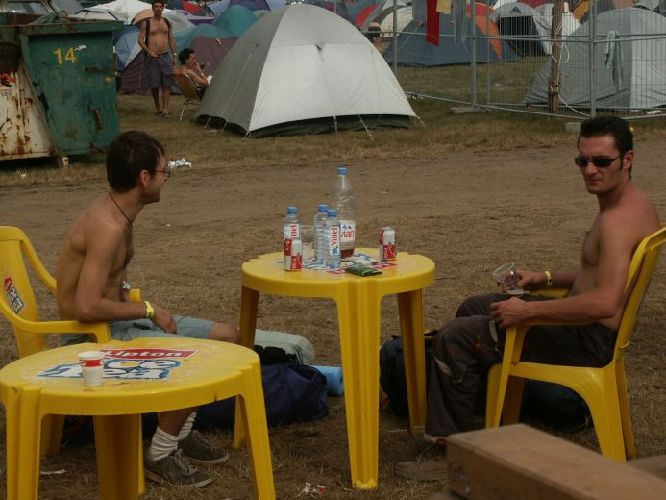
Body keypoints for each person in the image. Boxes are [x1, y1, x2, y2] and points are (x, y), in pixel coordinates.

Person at [396, 115, 660, 480]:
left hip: (587, 337)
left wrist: (527, 313)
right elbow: (602, 275)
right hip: (588, 328)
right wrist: (543, 278)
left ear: (627, 160)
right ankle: (480, 414)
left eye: (601, 161)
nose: (589, 170)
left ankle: (452, 457)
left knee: (457, 337)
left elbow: (604, 303)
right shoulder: (634, 205)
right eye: (582, 160)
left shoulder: (617, 221)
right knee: (475, 307)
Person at [57, 130, 240, 488]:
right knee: (196, 356)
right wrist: (150, 310)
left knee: (228, 337)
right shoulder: (107, 226)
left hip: (117, 325)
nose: (166, 176)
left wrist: (131, 297)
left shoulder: (121, 213)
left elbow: (109, 279)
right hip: (90, 339)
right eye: (163, 170)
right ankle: (160, 454)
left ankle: (179, 433)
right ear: (144, 178)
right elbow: (86, 306)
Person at [138, 0, 177, 117]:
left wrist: (174, 54)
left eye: (160, 6)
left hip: (166, 55)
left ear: (163, 8)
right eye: (156, 6)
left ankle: (165, 109)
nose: (158, 8)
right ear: (153, 8)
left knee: (167, 83)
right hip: (153, 57)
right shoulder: (146, 23)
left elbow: (171, 39)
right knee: (154, 85)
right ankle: (158, 107)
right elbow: (140, 40)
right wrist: (149, 51)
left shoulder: (167, 22)